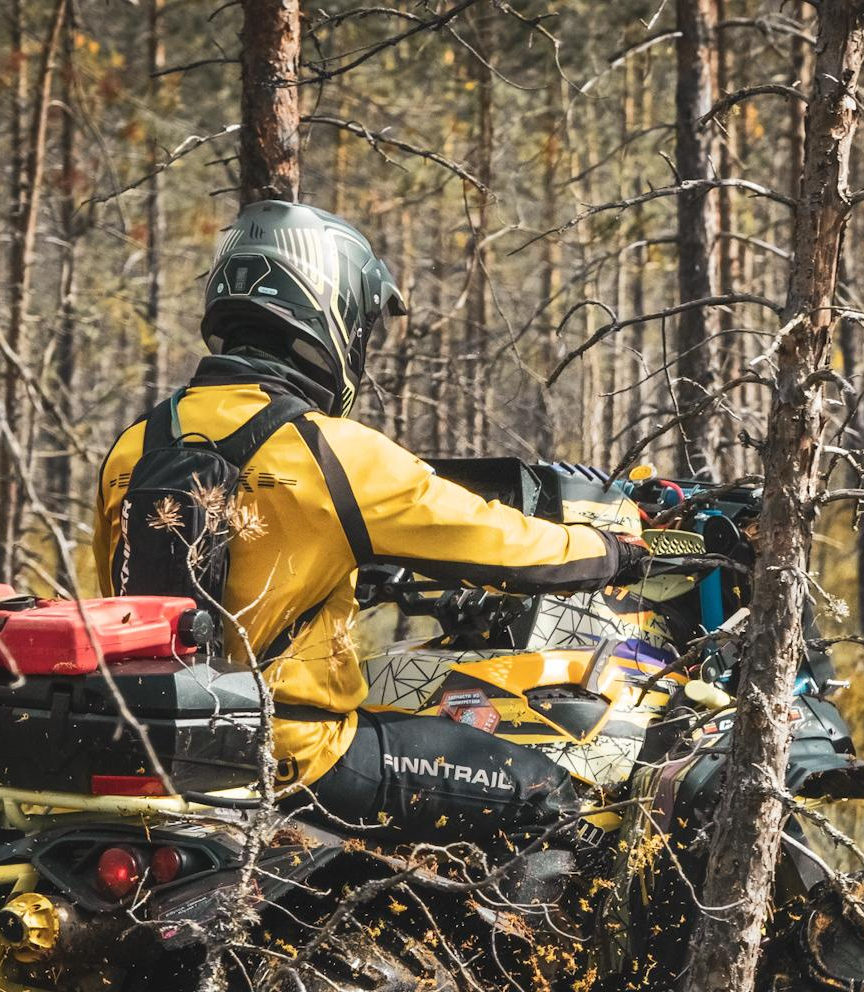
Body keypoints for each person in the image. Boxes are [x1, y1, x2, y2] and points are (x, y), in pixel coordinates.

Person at [92, 200, 648, 848]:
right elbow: (499, 543)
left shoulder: (132, 446)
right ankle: (503, 951)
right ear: (329, 312)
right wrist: (610, 550)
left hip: (156, 747)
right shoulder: (329, 450)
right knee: (544, 789)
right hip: (295, 755)